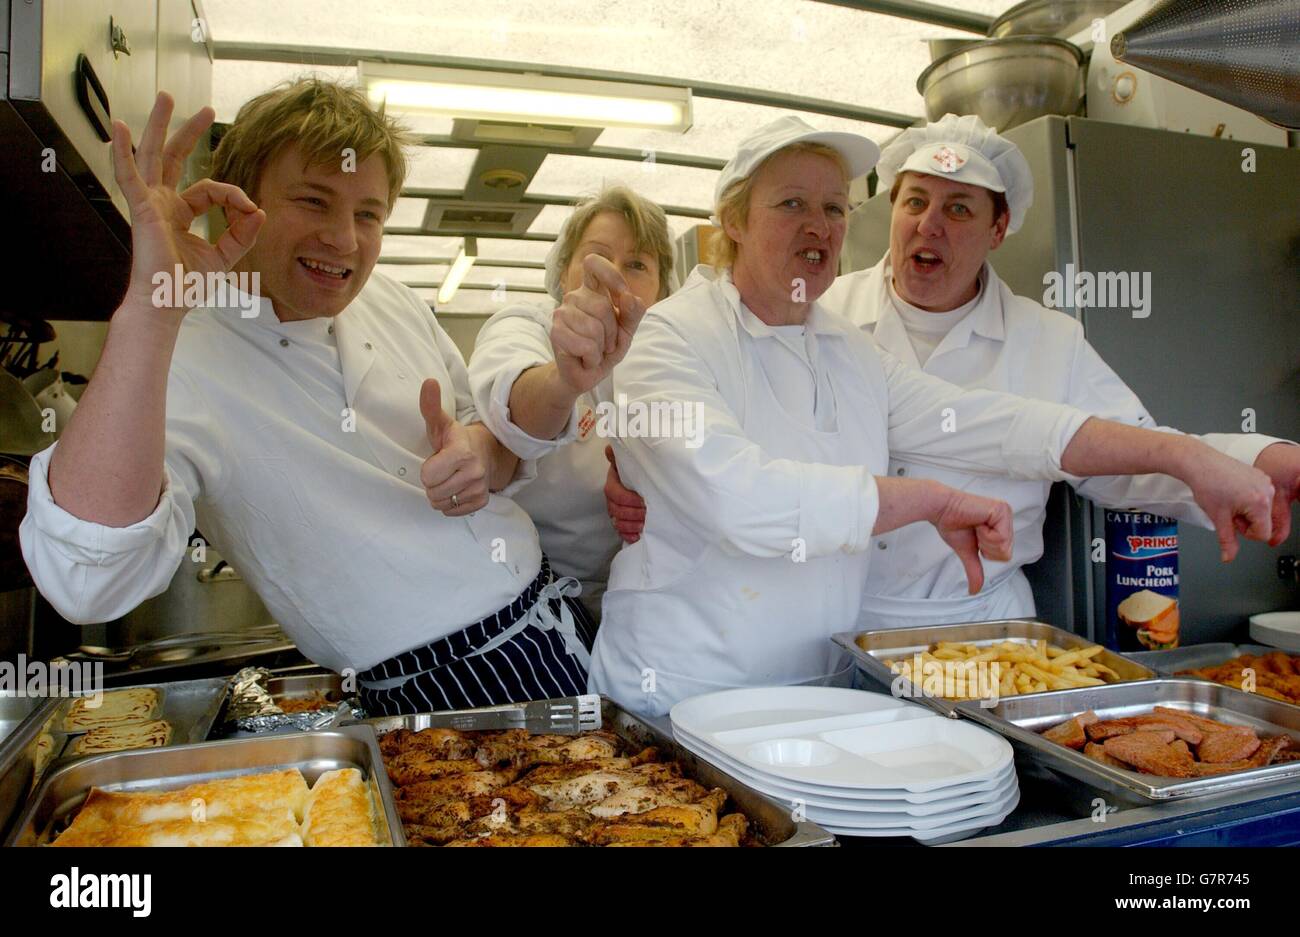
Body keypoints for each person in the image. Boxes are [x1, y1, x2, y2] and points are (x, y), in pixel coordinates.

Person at [588, 115, 1277, 716]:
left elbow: (1002, 424)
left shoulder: (844, 349)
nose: (818, 226)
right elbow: (740, 496)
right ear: (732, 220)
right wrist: (924, 498)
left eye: (833, 208)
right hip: (685, 691)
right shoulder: (672, 335)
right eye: (790, 202)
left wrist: (1195, 456)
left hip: (822, 686)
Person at [19, 79, 594, 716]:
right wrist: (151, 312)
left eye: (369, 214)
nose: (344, 239)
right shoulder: (175, 352)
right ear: (239, 202)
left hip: (558, 624)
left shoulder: (395, 301)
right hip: (433, 691)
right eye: (314, 201)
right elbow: (88, 581)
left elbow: (498, 446)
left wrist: (480, 457)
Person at [814, 113, 1299, 629]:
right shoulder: (824, 317)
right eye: (915, 201)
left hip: (985, 627)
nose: (929, 224)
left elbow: (1128, 454)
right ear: (892, 208)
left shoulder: (1047, 339)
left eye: (958, 208)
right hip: (842, 618)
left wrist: (1257, 458)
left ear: (998, 229)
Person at [468, 186, 673, 624]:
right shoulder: (527, 327)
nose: (611, 274)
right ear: (563, 273)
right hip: (533, 603)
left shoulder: (672, 356)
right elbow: (512, 406)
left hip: (648, 599)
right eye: (595, 255)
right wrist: (563, 381)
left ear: (660, 290)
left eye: (637, 264)